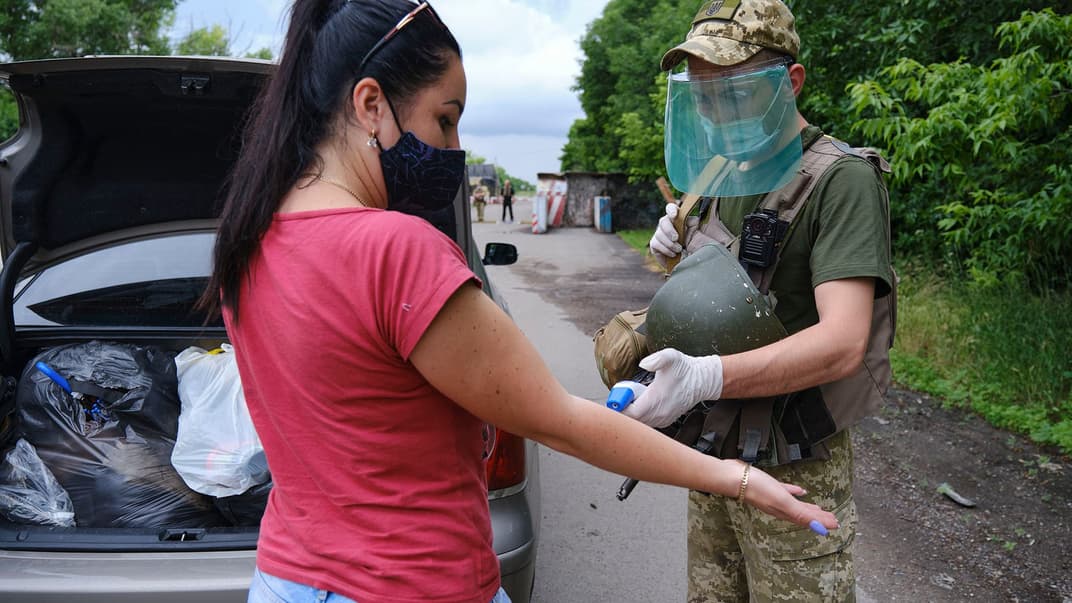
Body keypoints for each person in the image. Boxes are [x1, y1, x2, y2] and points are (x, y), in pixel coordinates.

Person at [201, 1, 838, 602]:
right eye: (444, 119)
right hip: (412, 583)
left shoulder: (249, 241)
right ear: (371, 104)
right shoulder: (395, 251)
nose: (453, 150)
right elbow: (558, 419)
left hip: (285, 578)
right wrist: (741, 480)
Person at [638, 0, 896, 601]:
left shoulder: (841, 180)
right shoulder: (715, 174)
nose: (714, 110)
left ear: (790, 82)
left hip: (796, 463)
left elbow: (842, 344)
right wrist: (673, 254)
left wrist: (704, 376)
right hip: (712, 458)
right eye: (702, 93)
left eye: (734, 90)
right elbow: (722, 300)